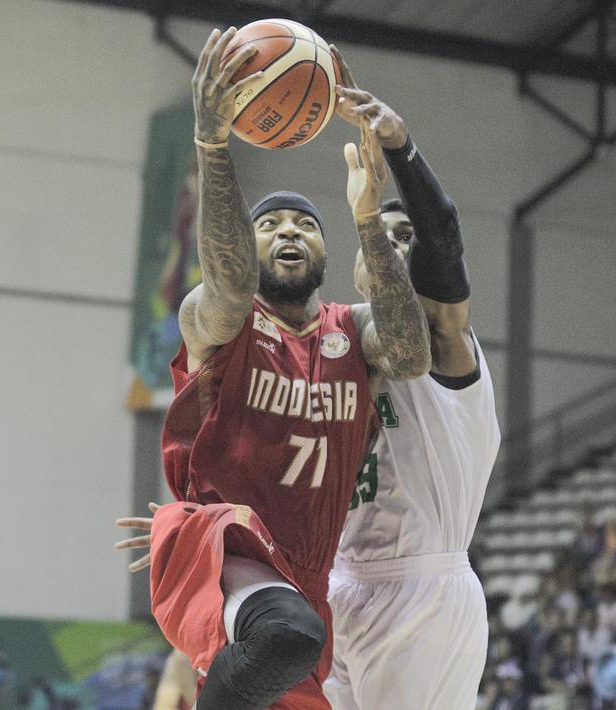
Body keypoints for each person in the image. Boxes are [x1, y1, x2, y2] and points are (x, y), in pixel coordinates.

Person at [116, 27, 430, 710]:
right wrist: (212, 144)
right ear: (246, 244)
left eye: (305, 224)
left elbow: (411, 353)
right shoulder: (218, 319)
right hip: (219, 542)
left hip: (306, 576)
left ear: (324, 250)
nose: (289, 230)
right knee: (288, 633)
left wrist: (368, 217)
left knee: (292, 636)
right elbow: (229, 285)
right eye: (271, 224)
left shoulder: (351, 332)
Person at [319, 48, 501, 710]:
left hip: (423, 589)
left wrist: (398, 145)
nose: (395, 245)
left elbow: (442, 236)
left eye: (405, 238)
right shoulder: (335, 345)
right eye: (382, 235)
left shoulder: (445, 342)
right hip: (338, 584)